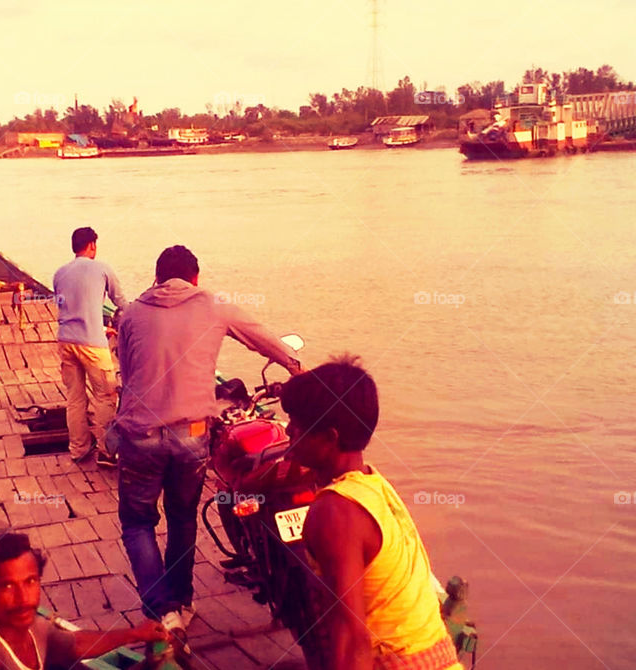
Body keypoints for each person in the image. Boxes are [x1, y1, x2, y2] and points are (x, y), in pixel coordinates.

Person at [112, 244, 303, 636]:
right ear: (196, 278)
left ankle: (161, 613)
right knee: (182, 517)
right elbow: (260, 338)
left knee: (138, 522)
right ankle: (182, 601)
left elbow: (127, 379)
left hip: (140, 435)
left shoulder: (130, 313)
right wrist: (298, 368)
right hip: (193, 434)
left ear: (157, 278)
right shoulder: (213, 305)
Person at [280, 356, 462, 670]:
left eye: (298, 425)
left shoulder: (334, 511)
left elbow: (352, 639)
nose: (288, 430)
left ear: (330, 438)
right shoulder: (373, 484)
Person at [0, 532, 167, 670]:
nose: (23, 599)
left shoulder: (35, 629)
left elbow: (76, 644)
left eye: (30, 581)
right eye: (7, 586)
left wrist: (134, 634)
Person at [53, 227, 127, 467]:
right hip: (92, 343)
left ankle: (78, 449)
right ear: (92, 245)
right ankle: (107, 452)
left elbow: (64, 305)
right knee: (105, 396)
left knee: (74, 399)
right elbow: (121, 302)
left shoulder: (59, 273)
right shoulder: (102, 268)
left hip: (65, 341)